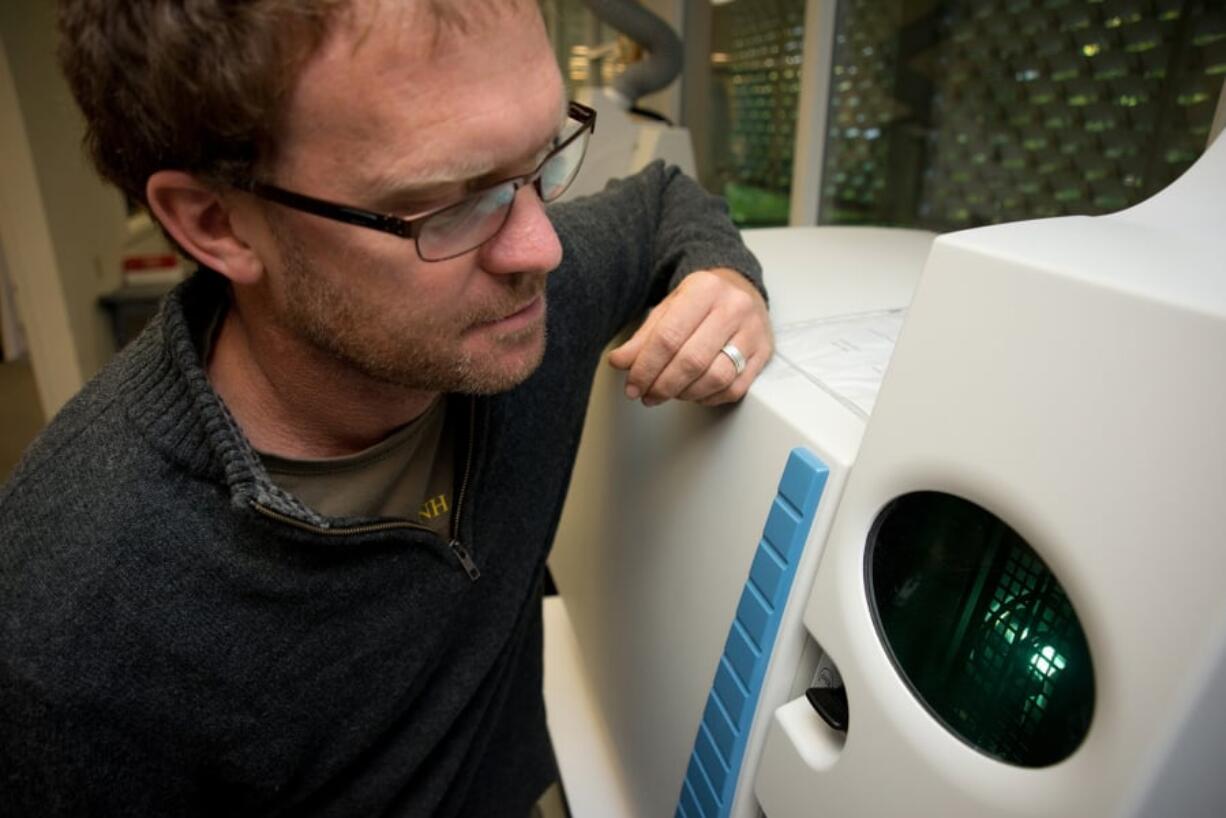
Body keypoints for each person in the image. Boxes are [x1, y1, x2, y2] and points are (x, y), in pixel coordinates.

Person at [0, 0, 772, 815]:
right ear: (218, 223)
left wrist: (721, 278)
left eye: (543, 159)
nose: (541, 249)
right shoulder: (67, 623)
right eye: (448, 202)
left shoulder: (512, 298)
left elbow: (662, 200)